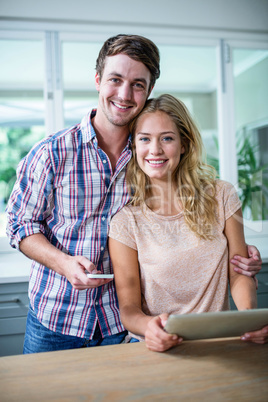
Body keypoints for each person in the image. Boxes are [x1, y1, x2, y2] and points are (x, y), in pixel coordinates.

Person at [6, 35, 262, 354]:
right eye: (115, 79)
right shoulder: (52, 153)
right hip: (58, 319)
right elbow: (20, 225)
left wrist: (235, 248)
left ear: (148, 90)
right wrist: (64, 263)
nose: (125, 94)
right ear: (98, 80)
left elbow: (189, 214)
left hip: (119, 325)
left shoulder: (146, 152)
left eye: (138, 84)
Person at [108, 94, 268, 352]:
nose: (155, 150)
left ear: (184, 144)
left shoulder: (221, 195)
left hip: (221, 342)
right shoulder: (126, 221)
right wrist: (151, 327)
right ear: (135, 146)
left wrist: (250, 318)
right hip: (160, 348)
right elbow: (128, 308)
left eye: (167, 138)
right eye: (145, 139)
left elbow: (239, 271)